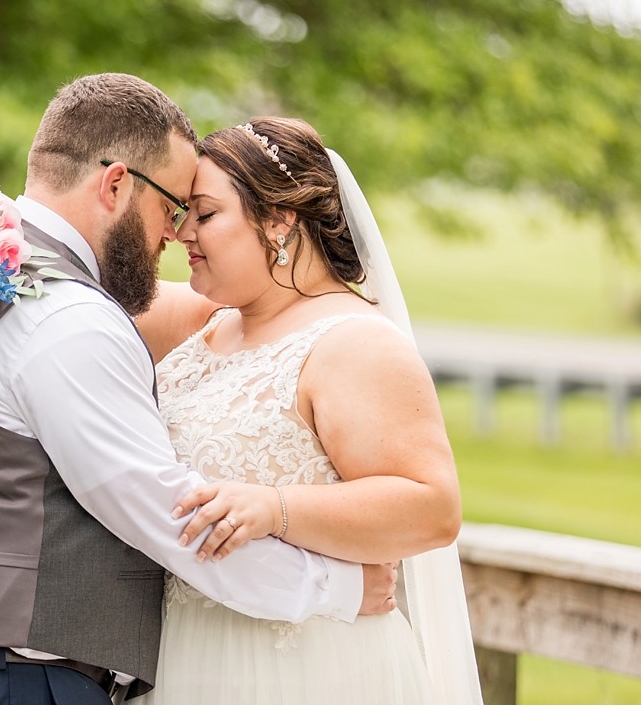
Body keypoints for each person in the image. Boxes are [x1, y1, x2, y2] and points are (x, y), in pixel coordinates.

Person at [0, 75, 398, 706]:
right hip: (10, 682)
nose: (176, 234)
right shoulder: (67, 318)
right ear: (116, 184)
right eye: (174, 206)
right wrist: (339, 588)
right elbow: (163, 514)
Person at [128, 118, 483, 704]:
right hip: (187, 657)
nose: (182, 232)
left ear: (278, 220)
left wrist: (276, 508)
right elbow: (76, 285)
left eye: (206, 213)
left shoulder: (354, 342)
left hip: (308, 669)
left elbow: (433, 507)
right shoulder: (209, 318)